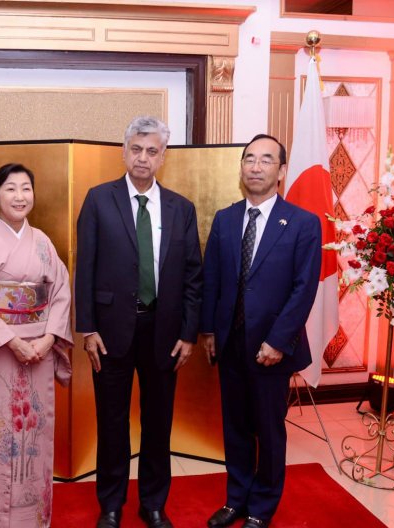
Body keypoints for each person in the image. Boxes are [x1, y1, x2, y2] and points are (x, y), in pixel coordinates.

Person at [75, 116, 203, 528]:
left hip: (163, 333)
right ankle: (111, 504)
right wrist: (87, 328)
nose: (143, 158)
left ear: (163, 156)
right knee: (112, 423)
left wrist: (188, 334)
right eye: (136, 149)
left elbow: (192, 276)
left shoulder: (182, 208)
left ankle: (153, 503)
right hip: (110, 333)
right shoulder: (98, 199)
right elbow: (85, 267)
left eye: (152, 151)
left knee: (157, 424)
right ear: (124, 150)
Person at [200, 134, 322, 528]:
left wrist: (278, 341)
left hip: (273, 348)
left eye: (265, 160)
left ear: (281, 171)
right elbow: (212, 279)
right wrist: (209, 331)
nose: (255, 166)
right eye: (249, 159)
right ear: (241, 167)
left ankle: (261, 507)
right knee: (235, 428)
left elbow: (304, 288)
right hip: (231, 343)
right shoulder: (226, 218)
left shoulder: (303, 223)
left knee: (268, 432)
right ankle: (236, 498)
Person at [0, 163, 73, 527]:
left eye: (26, 188)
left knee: (34, 431)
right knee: (0, 434)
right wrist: (13, 342)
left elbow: (60, 293)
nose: (20, 196)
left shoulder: (43, 242)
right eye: (10, 189)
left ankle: (34, 517)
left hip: (39, 349)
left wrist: (50, 337)